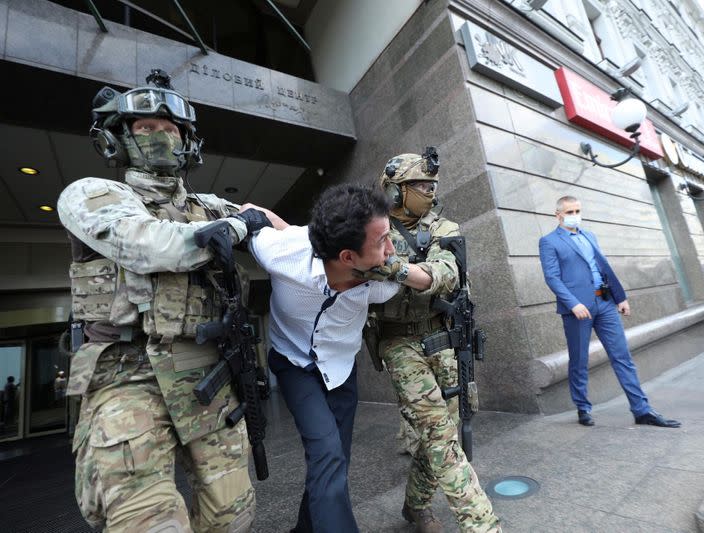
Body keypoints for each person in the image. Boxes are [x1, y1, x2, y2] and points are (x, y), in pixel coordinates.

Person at [57, 69, 276, 532]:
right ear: (120, 139)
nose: (160, 137)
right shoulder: (91, 194)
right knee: (149, 522)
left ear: (187, 141)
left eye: (170, 129)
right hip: (126, 377)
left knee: (232, 516)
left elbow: (273, 226)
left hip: (207, 374)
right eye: (146, 129)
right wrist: (238, 227)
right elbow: (152, 245)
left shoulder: (209, 205)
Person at [247, 183, 434, 533]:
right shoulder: (282, 253)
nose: (391, 250)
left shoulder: (384, 282)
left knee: (333, 461)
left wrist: (398, 268)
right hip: (294, 365)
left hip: (341, 370)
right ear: (347, 256)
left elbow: (423, 280)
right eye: (381, 242)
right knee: (328, 454)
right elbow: (255, 216)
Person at [369, 149, 501, 533]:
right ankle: (483, 525)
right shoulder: (371, 227)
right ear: (395, 191)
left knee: (444, 430)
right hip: (397, 342)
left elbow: (446, 274)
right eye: (421, 185)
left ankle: (415, 506)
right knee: (439, 433)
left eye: (432, 185)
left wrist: (395, 266)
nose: (430, 191)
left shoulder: (444, 228)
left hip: (441, 335)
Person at [538, 196, 681, 428]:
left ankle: (642, 410)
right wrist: (573, 303)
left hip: (604, 304)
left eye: (578, 210)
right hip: (578, 310)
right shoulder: (549, 242)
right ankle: (583, 408)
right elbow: (552, 278)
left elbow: (603, 267)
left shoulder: (589, 236)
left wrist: (620, 297)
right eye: (570, 211)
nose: (575, 214)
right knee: (579, 360)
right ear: (558, 215)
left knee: (622, 356)